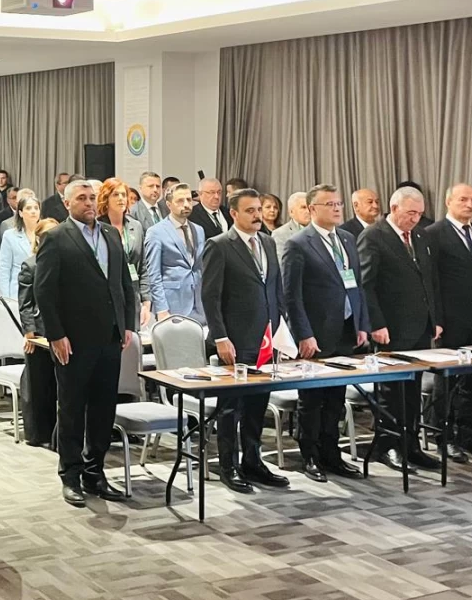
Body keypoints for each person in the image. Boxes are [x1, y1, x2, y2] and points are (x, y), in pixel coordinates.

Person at [35, 180, 139, 507]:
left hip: (110, 337)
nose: (89, 203)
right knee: (72, 409)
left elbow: (124, 283)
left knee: (103, 409)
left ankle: (95, 472)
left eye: (92, 198)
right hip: (74, 340)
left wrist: (127, 324)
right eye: (81, 198)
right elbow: (44, 291)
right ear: (67, 204)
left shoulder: (110, 234)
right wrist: (55, 335)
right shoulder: (56, 237)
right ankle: (70, 474)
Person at [201, 189, 289, 494]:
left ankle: (253, 460)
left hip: (265, 339)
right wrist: (221, 337)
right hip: (235, 340)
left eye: (259, 210)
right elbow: (210, 297)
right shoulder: (219, 245)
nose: (257, 215)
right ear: (234, 214)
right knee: (231, 408)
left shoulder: (268, 241)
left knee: (257, 405)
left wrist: (280, 332)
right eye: (250, 210)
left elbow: (275, 289)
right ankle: (229, 465)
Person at [279, 185, 369, 483]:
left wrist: (361, 324)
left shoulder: (347, 239)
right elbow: (291, 296)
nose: (337, 208)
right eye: (329, 204)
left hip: (345, 330)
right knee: (312, 400)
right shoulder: (298, 244)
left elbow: (357, 285)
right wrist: (304, 334)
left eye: (339, 203)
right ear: (312, 209)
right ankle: (310, 455)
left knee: (335, 398)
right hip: (315, 334)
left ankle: (332, 452)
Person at [356, 186, 445, 472]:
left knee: (412, 388)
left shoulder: (420, 236)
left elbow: (429, 280)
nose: (415, 219)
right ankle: (388, 445)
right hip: (390, 328)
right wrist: (376, 323)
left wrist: (435, 319)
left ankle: (411, 445)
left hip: (419, 326)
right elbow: (366, 285)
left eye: (419, 213)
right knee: (390, 391)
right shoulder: (373, 236)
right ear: (394, 208)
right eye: (410, 213)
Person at [425, 183, 472, 460]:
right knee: (448, 381)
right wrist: (437, 319)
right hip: (451, 320)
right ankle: (442, 436)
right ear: (448, 202)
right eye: (463, 199)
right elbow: (432, 281)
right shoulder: (434, 233)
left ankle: (468, 433)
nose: (469, 205)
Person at [16, 218, 60, 447]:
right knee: (38, 385)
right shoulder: (30, 265)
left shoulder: (66, 262)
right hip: (38, 333)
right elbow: (25, 303)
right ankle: (37, 434)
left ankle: (57, 434)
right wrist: (29, 332)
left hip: (61, 330)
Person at [142, 183, 205, 325]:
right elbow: (154, 274)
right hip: (173, 304)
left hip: (199, 303)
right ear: (169, 205)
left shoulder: (199, 230)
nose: (186, 204)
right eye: (180, 201)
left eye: (189, 200)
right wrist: (161, 308)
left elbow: (199, 267)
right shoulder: (156, 232)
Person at [98, 178, 148, 318]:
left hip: (133, 293)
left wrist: (146, 301)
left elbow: (143, 265)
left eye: (124, 195)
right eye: (115, 195)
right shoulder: (97, 227)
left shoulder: (135, 226)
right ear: (106, 199)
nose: (121, 198)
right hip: (107, 296)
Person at [0, 196, 41, 301]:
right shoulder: (10, 235)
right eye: (29, 208)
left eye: (36, 208)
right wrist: (6, 298)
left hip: (41, 291)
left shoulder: (46, 234)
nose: (33, 211)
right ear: (21, 213)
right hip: (18, 292)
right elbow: (4, 268)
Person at [270, 191, 311, 263]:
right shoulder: (280, 234)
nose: (308, 211)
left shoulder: (319, 230)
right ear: (291, 212)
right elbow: (282, 263)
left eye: (309, 207)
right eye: (303, 207)